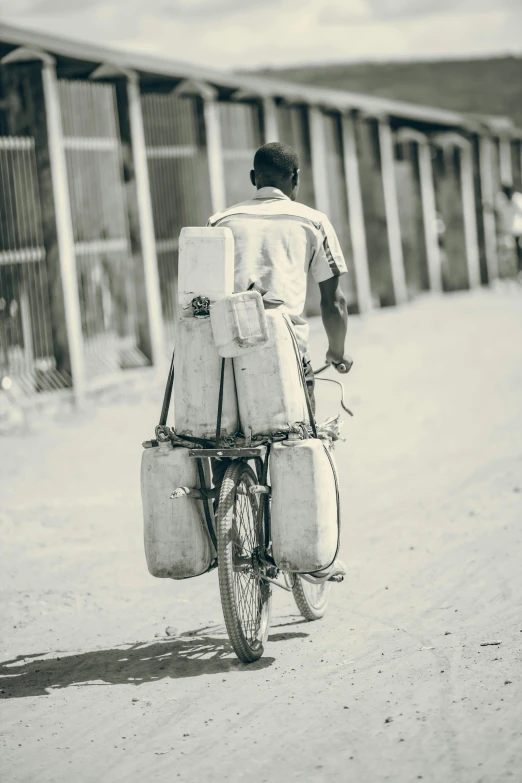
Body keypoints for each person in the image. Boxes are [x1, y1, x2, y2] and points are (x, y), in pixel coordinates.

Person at [207, 142, 353, 581]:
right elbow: (334, 300)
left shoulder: (219, 221)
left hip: (222, 352)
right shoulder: (312, 221)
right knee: (302, 442)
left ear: (254, 180)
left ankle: (227, 531)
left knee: (221, 437)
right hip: (285, 352)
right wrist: (338, 351)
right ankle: (311, 555)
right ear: (295, 179)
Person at [498, 185, 522, 274]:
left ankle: (519, 269)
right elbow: (499, 212)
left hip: (519, 230)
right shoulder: (501, 200)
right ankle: (515, 270)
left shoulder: (517, 200)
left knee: (519, 249)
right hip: (510, 231)